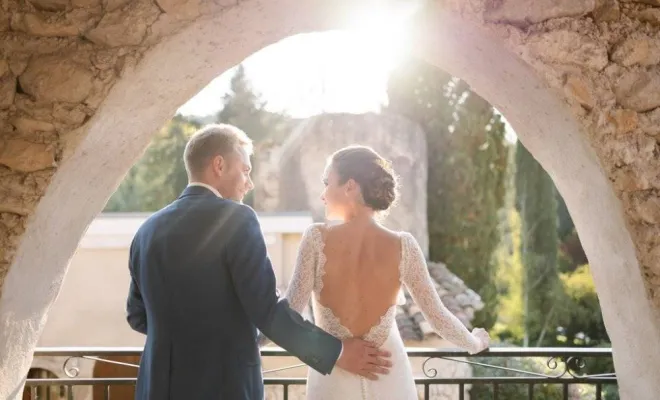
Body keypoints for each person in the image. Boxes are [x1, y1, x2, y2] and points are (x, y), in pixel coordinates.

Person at [125, 125, 391, 400]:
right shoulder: (237, 219)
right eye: (246, 170)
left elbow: (137, 315)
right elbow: (267, 311)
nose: (249, 183)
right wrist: (336, 352)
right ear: (219, 165)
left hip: (156, 388)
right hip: (225, 388)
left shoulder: (147, 230)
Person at [280, 145, 490, 399]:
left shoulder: (315, 239)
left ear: (350, 186)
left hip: (332, 379)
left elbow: (288, 318)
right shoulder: (404, 246)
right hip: (389, 377)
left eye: (328, 182)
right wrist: (474, 343)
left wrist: (331, 352)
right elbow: (437, 317)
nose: (323, 194)